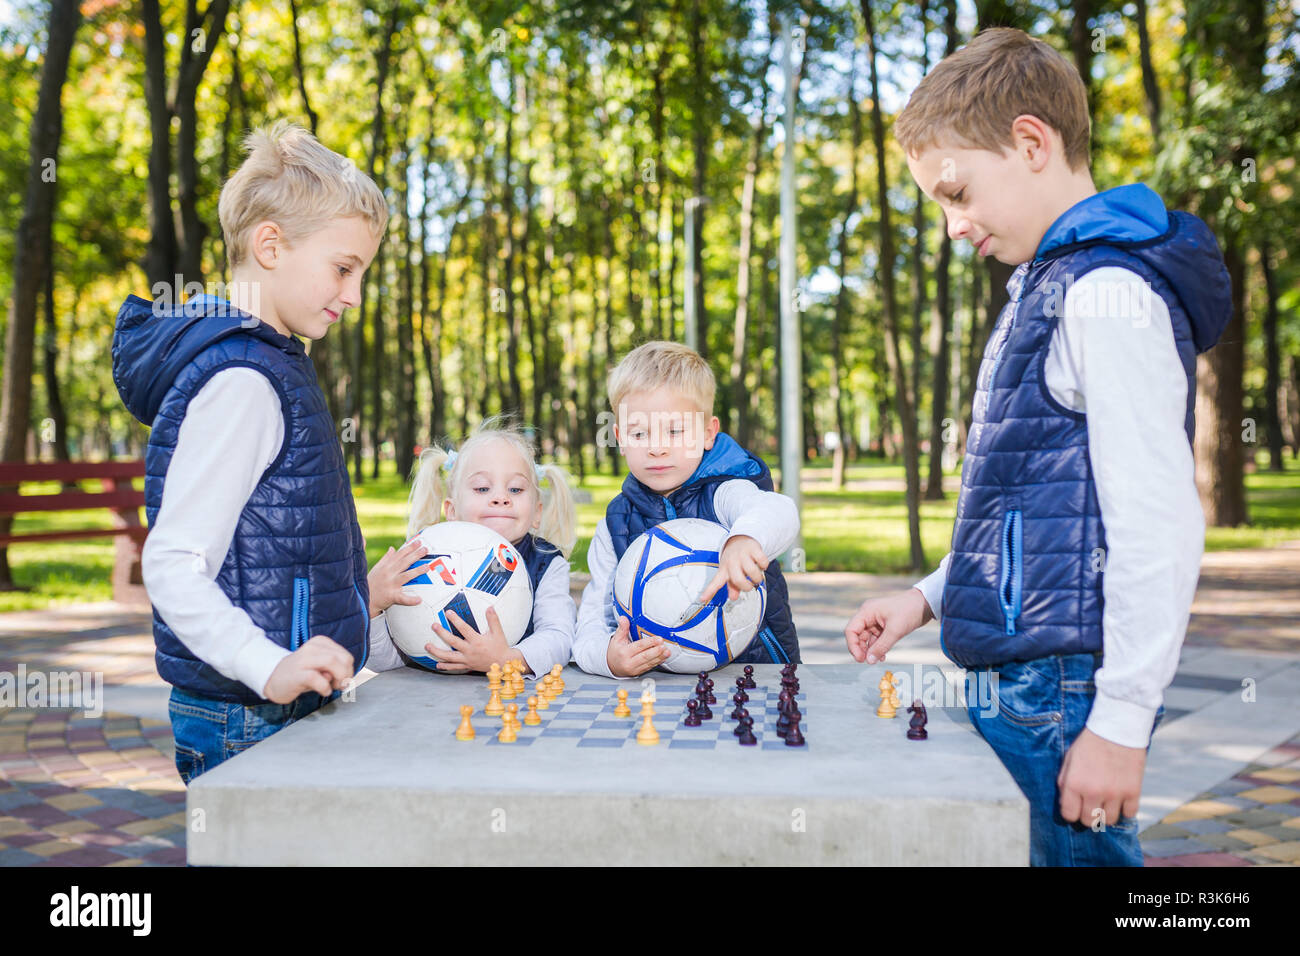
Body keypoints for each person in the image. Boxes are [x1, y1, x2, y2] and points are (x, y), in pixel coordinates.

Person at [844, 28, 1232, 865]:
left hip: (1062, 690)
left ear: (1030, 142)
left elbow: (1157, 522)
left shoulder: (1106, 295)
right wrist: (930, 598)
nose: (952, 226)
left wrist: (1122, 722)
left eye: (957, 193)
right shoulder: (1052, 288)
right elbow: (1036, 508)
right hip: (1029, 679)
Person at [113, 121, 424, 785]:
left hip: (276, 709)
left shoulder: (273, 365)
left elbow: (266, 554)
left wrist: (351, 597)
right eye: (343, 269)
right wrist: (267, 665)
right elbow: (172, 567)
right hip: (248, 719)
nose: (354, 294)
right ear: (270, 245)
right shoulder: (243, 382)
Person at [572, 341, 801, 678]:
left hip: (757, 673)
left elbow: (779, 510)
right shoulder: (616, 522)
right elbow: (592, 619)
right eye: (639, 433)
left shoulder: (725, 492)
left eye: (676, 431)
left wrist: (744, 539)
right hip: (657, 685)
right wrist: (606, 657)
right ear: (619, 438)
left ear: (708, 433)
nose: (657, 448)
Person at [365, 418, 578, 679]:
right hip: (426, 708)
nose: (501, 498)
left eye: (515, 488)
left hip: (514, 708)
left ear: (536, 513)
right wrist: (372, 604)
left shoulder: (546, 564)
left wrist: (507, 660)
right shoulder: (420, 560)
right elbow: (384, 661)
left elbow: (560, 638)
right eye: (482, 488)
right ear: (451, 510)